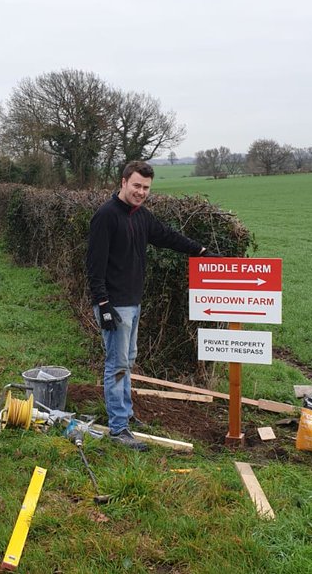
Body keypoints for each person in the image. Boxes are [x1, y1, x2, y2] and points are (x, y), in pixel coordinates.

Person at [86, 160, 218, 451]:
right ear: (123, 183)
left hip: (133, 302)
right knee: (117, 365)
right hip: (114, 305)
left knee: (128, 361)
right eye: (136, 185)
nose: (141, 192)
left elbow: (168, 236)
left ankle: (126, 415)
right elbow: (94, 266)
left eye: (146, 187)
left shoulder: (141, 217)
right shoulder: (105, 217)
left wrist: (200, 251)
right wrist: (103, 304)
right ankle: (118, 429)